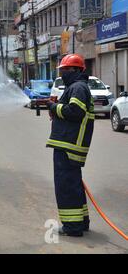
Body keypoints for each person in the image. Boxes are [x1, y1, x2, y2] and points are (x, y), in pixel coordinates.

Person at [46, 54, 94, 237]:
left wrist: (53, 107)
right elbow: (72, 112)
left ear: (74, 70)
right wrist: (57, 110)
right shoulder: (77, 87)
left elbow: (75, 112)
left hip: (69, 146)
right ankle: (81, 223)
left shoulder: (78, 87)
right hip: (70, 145)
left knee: (66, 187)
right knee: (73, 186)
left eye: (64, 70)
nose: (62, 73)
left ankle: (73, 227)